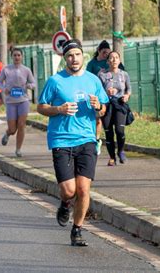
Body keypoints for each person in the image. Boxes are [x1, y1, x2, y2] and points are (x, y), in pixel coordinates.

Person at [37, 39, 108, 246]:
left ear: (82, 56)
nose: (74, 59)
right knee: (69, 190)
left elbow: (103, 108)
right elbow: (41, 107)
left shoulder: (93, 80)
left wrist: (98, 107)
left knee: (84, 189)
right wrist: (59, 109)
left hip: (86, 139)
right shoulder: (55, 81)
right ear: (65, 58)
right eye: (69, 55)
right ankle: (65, 203)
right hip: (61, 138)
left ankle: (77, 230)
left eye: (77, 55)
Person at [0, 48, 36, 157]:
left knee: (21, 125)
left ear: (22, 57)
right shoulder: (6, 70)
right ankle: (7, 133)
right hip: (11, 101)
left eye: (19, 55)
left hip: (23, 100)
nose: (17, 57)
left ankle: (18, 149)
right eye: (15, 55)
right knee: (13, 129)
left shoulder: (26, 70)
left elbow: (33, 83)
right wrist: (4, 88)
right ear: (11, 57)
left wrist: (29, 86)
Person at [98, 51, 132, 166]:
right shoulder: (102, 75)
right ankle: (112, 157)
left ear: (119, 60)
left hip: (119, 104)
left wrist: (126, 96)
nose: (114, 60)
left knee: (119, 130)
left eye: (116, 57)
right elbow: (97, 91)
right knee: (108, 132)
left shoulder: (124, 74)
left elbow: (129, 89)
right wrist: (106, 92)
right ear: (108, 61)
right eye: (111, 58)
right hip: (106, 105)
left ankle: (121, 151)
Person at [86, 40, 111, 156]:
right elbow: (87, 78)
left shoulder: (110, 62)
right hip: (97, 95)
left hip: (111, 95)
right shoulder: (92, 64)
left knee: (109, 121)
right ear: (99, 51)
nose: (106, 55)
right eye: (104, 52)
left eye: (108, 52)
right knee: (98, 119)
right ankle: (96, 140)